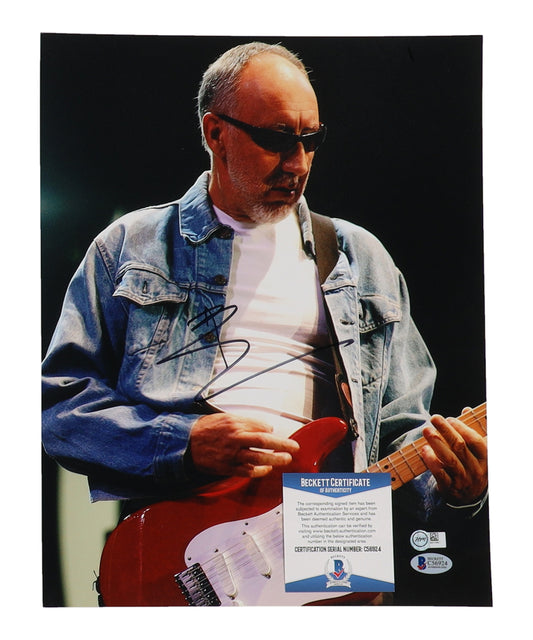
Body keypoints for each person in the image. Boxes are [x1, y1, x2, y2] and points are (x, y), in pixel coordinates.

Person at [42, 41, 487, 585]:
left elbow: (399, 431)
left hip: (334, 534)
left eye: (310, 140)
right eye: (276, 139)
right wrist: (184, 444)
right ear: (215, 133)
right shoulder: (132, 245)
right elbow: (59, 407)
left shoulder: (361, 257)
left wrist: (456, 485)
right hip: (183, 546)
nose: (298, 163)